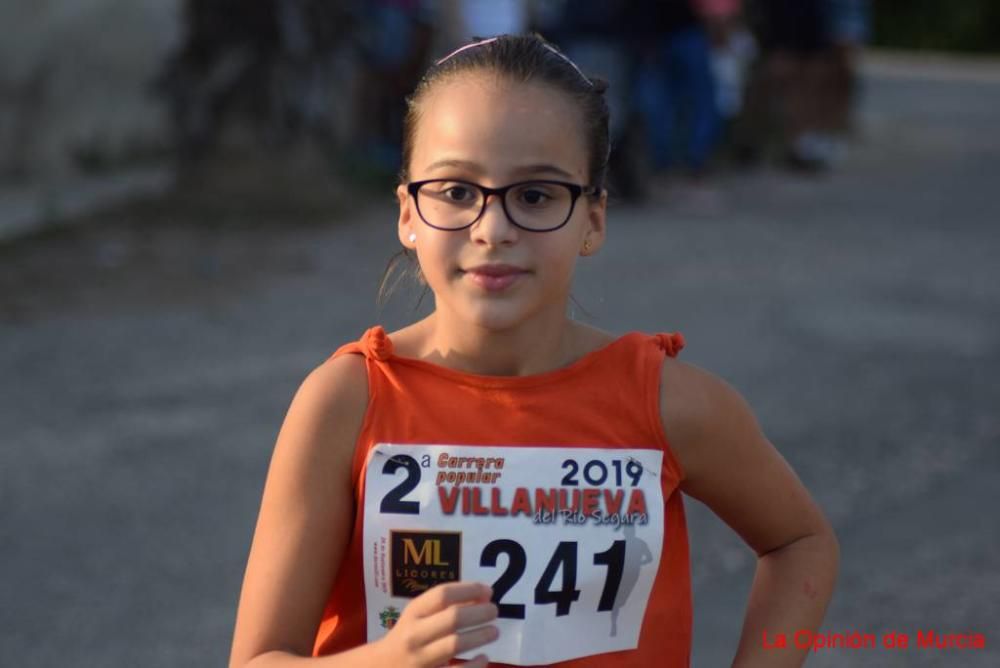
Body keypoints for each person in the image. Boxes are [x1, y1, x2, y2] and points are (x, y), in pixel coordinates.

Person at [229, 34, 838, 668]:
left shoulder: (668, 404)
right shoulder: (345, 403)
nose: (493, 231)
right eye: (457, 191)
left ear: (593, 220)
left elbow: (801, 540)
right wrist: (389, 658)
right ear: (408, 213)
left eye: (536, 196)